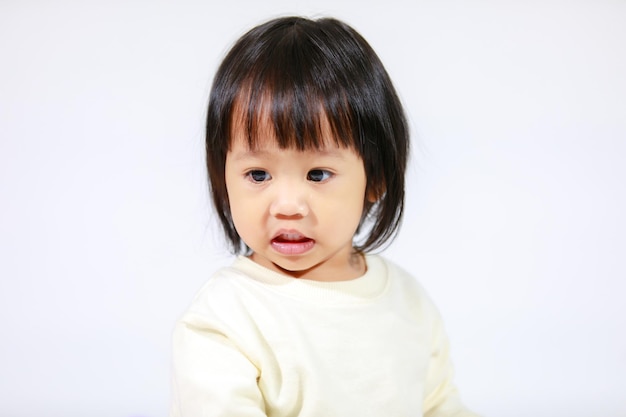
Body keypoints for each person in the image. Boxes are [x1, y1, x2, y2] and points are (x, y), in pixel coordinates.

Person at [170, 16, 480, 417]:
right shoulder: (225, 318)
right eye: (258, 174)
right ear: (222, 177)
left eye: (318, 174)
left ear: (376, 178)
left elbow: (441, 405)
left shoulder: (408, 304)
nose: (286, 205)